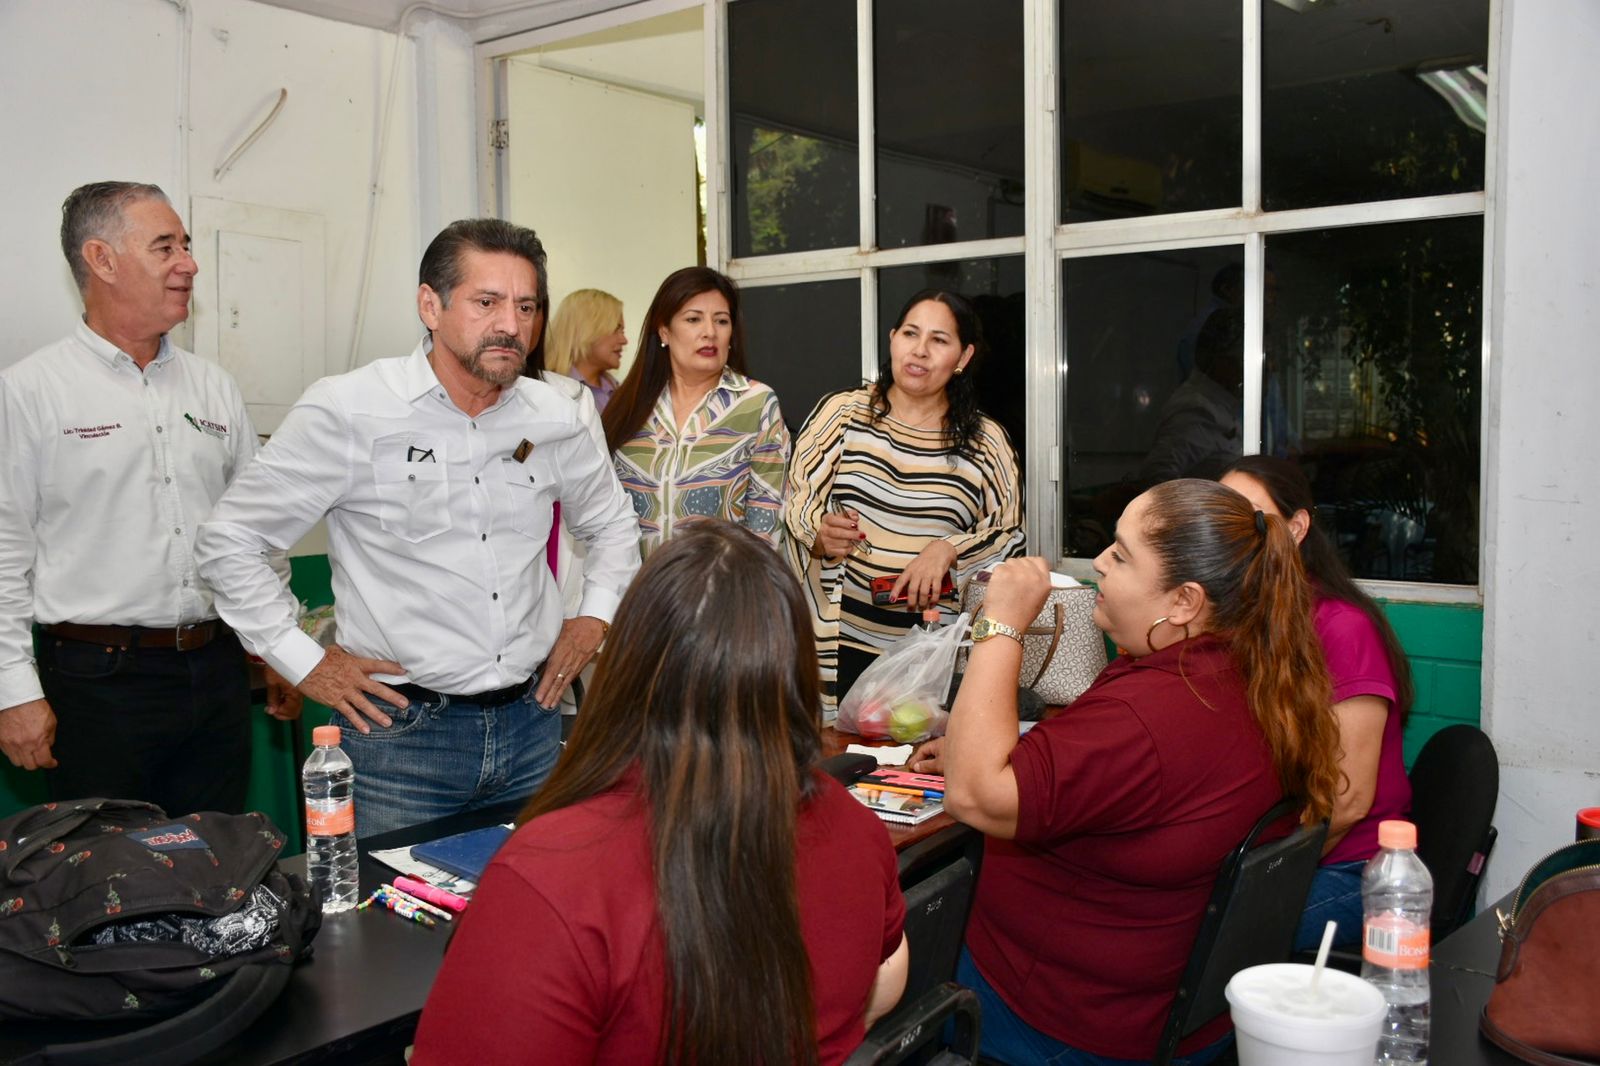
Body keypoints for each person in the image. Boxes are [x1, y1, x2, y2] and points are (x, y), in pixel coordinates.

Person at [195, 218, 641, 837]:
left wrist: (594, 617)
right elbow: (230, 542)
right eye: (486, 302)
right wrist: (305, 661)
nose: (511, 325)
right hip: (399, 743)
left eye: (526, 305)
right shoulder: (350, 409)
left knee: (533, 920)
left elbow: (615, 524)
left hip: (533, 726)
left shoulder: (557, 414)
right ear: (430, 304)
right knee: (392, 932)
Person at [411, 523, 908, 1065]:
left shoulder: (553, 876)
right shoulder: (856, 830)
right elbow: (886, 980)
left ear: (628, 666)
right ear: (792, 671)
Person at [909, 480, 1342, 1064]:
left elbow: (974, 796)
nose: (1099, 565)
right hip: (1166, 1002)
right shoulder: (1245, 674)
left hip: (1060, 1017)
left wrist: (1002, 622)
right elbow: (1124, 774)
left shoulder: (1151, 713)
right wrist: (993, 747)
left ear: (1184, 601)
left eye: (1121, 554)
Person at [0, 181, 299, 815]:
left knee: (216, 865)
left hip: (214, 670)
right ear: (101, 260)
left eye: (186, 246)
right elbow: (4, 553)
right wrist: (11, 690)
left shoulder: (214, 388)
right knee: (104, 878)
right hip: (94, 682)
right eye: (165, 247)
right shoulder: (29, 392)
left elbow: (257, 532)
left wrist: (282, 648)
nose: (188, 263)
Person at [785, 289, 1023, 710]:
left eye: (939, 340)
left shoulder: (986, 442)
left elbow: (1008, 535)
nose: (920, 350)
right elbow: (798, 498)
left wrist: (948, 549)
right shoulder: (842, 414)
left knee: (912, 770)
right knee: (832, 761)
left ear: (963, 357)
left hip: (929, 653)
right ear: (893, 339)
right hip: (835, 643)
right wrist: (817, 532)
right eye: (910, 333)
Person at [1220, 454, 1414, 952]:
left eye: (1253, 520)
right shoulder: (1245, 621)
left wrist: (1264, 877)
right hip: (1281, 849)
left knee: (1213, 944)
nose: (1234, 535)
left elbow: (1346, 802)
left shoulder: (1341, 627)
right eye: (1224, 519)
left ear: (1298, 526)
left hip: (1350, 868)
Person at [602, 267, 789, 559]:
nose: (710, 332)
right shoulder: (629, 404)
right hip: (634, 594)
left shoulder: (756, 403)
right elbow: (601, 517)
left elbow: (767, 520)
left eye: (721, 321)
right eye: (693, 319)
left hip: (722, 592)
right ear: (664, 331)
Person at [546, 288, 626, 413]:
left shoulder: (618, 392)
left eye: (622, 331)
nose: (624, 340)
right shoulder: (547, 390)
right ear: (586, 330)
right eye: (616, 329)